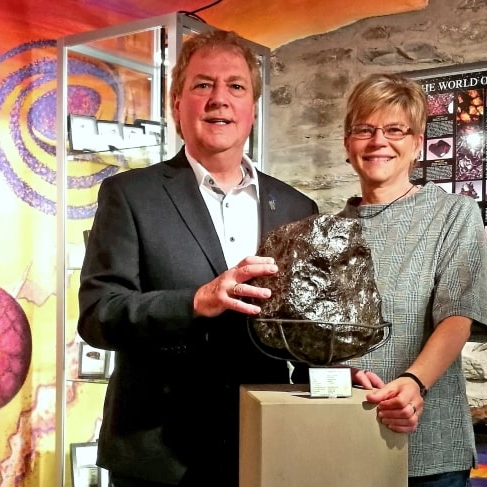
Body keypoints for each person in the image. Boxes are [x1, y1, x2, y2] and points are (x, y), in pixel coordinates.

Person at [77, 29, 318, 487]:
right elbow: (98, 315)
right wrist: (195, 301)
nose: (219, 100)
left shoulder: (296, 208)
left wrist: (340, 376)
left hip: (262, 445)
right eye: (203, 85)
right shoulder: (130, 195)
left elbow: (302, 333)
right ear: (176, 105)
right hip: (157, 455)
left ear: (252, 109)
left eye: (236, 86)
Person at [337, 73, 487, 487]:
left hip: (431, 448)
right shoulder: (328, 229)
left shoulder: (453, 214)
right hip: (342, 438)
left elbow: (459, 312)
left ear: (417, 143)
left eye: (395, 130)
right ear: (347, 142)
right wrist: (342, 372)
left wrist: (413, 381)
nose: (378, 141)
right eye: (365, 130)